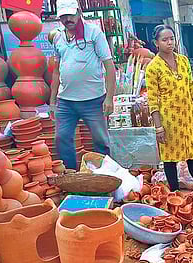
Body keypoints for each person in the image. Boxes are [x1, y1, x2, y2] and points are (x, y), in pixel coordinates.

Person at [49, 0, 116, 170]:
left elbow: (109, 66)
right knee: (61, 138)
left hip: (93, 100)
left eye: (70, 15)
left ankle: (105, 176)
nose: (67, 19)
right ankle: (71, 175)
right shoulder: (58, 37)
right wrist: (52, 102)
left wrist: (109, 98)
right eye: (63, 16)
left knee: (101, 141)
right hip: (65, 101)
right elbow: (56, 71)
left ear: (79, 12)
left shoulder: (94, 33)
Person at [145, 25, 193, 192]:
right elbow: (153, 100)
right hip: (169, 119)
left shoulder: (183, 61)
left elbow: (191, 89)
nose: (169, 43)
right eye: (165, 40)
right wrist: (158, 127)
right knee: (170, 159)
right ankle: (174, 194)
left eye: (172, 39)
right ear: (156, 43)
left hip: (189, 116)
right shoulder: (153, 67)